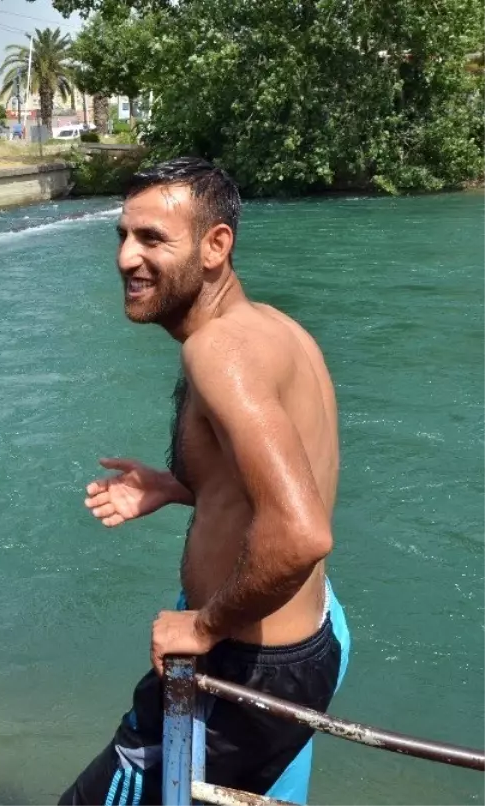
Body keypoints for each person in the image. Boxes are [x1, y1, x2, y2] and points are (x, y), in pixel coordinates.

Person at [58, 158, 351, 806]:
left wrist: (206, 625)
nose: (127, 258)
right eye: (123, 236)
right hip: (302, 651)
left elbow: (302, 532)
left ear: (216, 245)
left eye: (153, 239)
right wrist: (178, 485)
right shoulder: (278, 329)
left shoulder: (219, 351)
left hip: (248, 673)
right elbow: (283, 483)